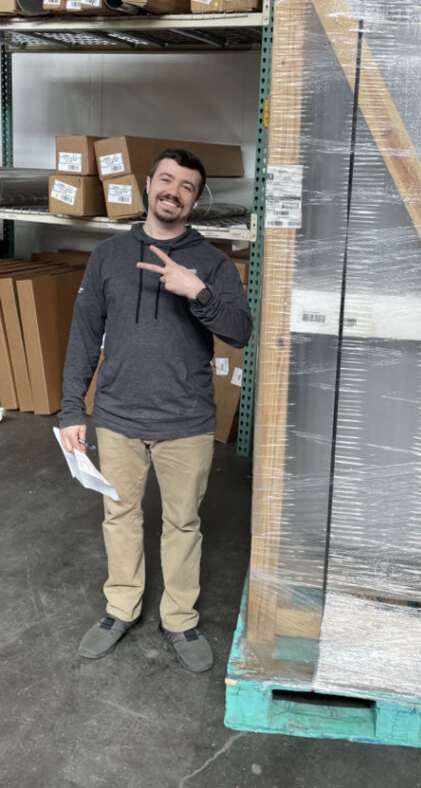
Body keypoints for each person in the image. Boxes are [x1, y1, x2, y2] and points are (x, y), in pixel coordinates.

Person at [59, 147, 252, 673]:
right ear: (149, 185)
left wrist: (198, 292)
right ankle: (121, 607)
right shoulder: (109, 256)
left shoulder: (211, 262)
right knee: (119, 515)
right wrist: (70, 409)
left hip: (185, 422)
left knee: (182, 522)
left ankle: (180, 618)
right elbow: (83, 335)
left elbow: (240, 331)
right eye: (166, 180)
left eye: (186, 186)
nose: (174, 191)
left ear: (194, 199)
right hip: (117, 415)